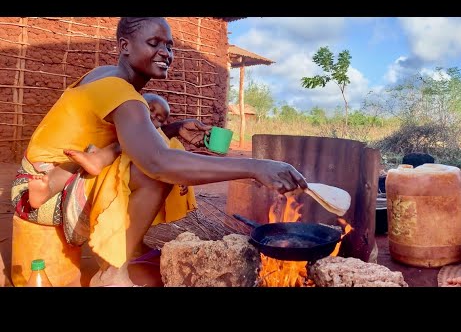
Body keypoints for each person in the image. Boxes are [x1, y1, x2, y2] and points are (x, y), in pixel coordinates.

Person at [11, 17, 307, 287]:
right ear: (124, 46)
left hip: (48, 179)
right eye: (154, 43)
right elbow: (157, 162)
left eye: (169, 46)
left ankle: (119, 254)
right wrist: (256, 167)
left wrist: (172, 128)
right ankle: (113, 273)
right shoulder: (119, 92)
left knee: (165, 149)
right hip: (43, 193)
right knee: (153, 171)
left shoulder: (106, 76)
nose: (166, 52)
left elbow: (133, 141)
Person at [26, 93, 190, 209]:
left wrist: (178, 176)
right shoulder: (121, 118)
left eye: (159, 119)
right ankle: (46, 190)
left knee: (128, 141)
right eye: (149, 108)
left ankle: (97, 160)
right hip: (94, 158)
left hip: (124, 171)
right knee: (72, 165)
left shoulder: (157, 136)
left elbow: (167, 158)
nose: (153, 116)